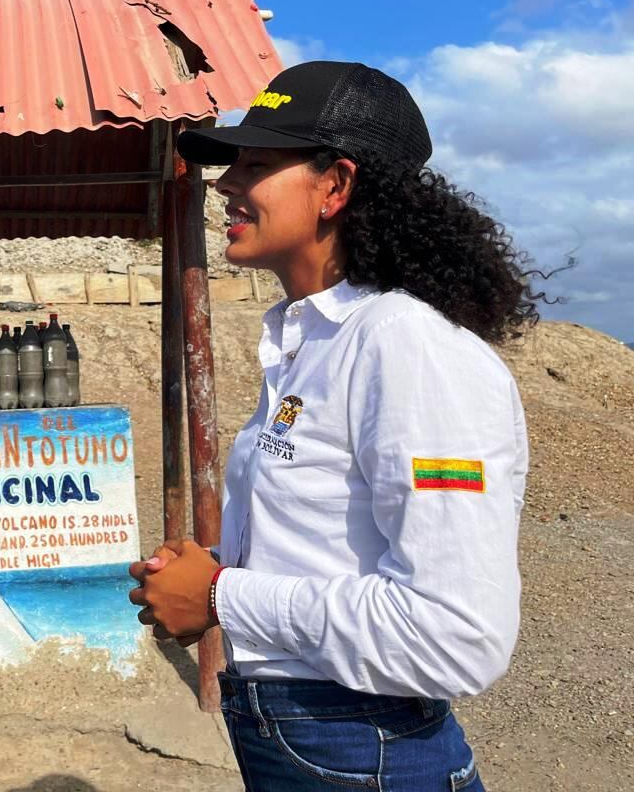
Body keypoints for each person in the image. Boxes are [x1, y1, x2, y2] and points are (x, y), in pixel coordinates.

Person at [130, 61, 533, 790]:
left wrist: (222, 594)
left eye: (255, 164)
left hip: (363, 750)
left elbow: (456, 636)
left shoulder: (408, 347)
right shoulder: (312, 339)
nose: (224, 185)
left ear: (335, 186)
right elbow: (331, 537)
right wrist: (207, 568)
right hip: (308, 740)